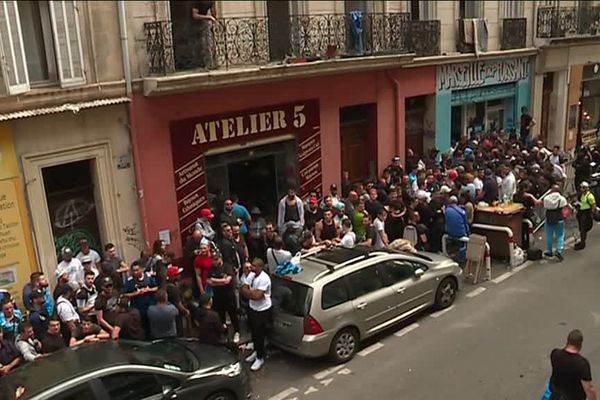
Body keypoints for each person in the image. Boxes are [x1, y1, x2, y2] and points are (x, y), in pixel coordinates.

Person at [241, 258, 272, 371]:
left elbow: (257, 296)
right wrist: (251, 293)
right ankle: (256, 350)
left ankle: (260, 357)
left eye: (254, 266)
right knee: (253, 332)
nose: (251, 268)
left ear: (260, 267)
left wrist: (250, 293)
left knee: (260, 334)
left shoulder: (264, 279)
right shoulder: (251, 275)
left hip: (262, 310)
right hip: (253, 308)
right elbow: (243, 289)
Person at [549, 329, 596, 400]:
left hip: (556, 396)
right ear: (580, 344)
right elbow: (589, 389)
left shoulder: (555, 354)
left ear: (567, 341)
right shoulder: (582, 364)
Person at [207, 253, 240, 343]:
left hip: (229, 295)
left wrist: (215, 280)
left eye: (216, 260)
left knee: (233, 314)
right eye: (213, 260)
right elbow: (209, 281)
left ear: (220, 259)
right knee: (221, 316)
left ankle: (237, 331)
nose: (214, 262)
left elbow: (227, 281)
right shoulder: (211, 269)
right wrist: (221, 281)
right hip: (218, 296)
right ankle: (224, 334)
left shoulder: (227, 267)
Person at [530, 184, 568, 261]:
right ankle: (559, 250)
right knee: (560, 235)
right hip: (559, 218)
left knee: (549, 235)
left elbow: (541, 203)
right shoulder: (561, 199)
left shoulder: (546, 198)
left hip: (549, 218)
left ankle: (549, 250)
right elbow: (565, 205)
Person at [122, 261, 158, 331]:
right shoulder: (130, 281)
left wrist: (149, 290)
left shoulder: (149, 278)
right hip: (138, 310)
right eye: (134, 271)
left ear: (142, 269)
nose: (135, 272)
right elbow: (124, 294)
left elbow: (157, 287)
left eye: (137, 270)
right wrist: (135, 293)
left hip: (150, 307)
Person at [190, 0, 217, 70]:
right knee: (202, 45)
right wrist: (208, 17)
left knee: (209, 45)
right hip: (197, 26)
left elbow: (214, 15)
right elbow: (195, 15)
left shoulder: (210, 2)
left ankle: (210, 64)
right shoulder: (197, 2)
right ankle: (202, 65)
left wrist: (214, 4)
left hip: (207, 26)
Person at [445, 196, 470, 262]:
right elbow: (466, 224)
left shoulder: (446, 210)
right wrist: (468, 233)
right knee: (465, 242)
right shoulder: (462, 212)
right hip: (460, 233)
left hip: (449, 232)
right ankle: (462, 258)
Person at [575, 181, 596, 251]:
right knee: (581, 228)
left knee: (583, 229)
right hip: (581, 212)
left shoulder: (590, 196)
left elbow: (593, 206)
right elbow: (581, 202)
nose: (582, 189)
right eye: (581, 187)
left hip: (586, 213)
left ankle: (582, 243)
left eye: (583, 188)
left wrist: (592, 214)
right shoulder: (581, 195)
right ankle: (582, 241)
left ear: (587, 188)